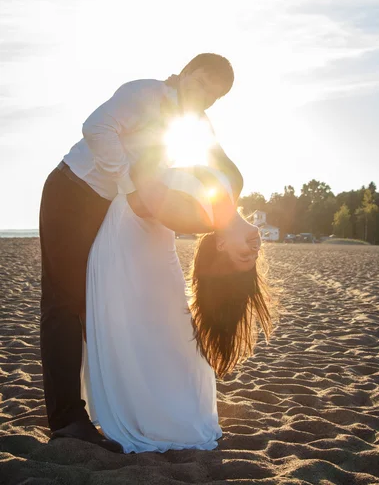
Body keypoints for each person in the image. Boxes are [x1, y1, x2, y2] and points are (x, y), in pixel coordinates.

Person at [39, 53, 235, 452]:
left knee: (103, 302)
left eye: (212, 98)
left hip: (110, 209)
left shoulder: (195, 123)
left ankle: (117, 408)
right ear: (184, 74)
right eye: (201, 86)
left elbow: (218, 167)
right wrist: (132, 182)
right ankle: (67, 421)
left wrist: (229, 206)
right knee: (65, 302)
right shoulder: (144, 93)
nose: (203, 101)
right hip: (71, 192)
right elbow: (96, 127)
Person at [80, 162, 273, 453]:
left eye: (243, 255)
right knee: (158, 325)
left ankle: (155, 405)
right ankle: (152, 404)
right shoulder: (232, 188)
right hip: (134, 230)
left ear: (221, 245)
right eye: (252, 257)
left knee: (163, 329)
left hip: (130, 232)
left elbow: (146, 181)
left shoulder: (197, 217)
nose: (255, 249)